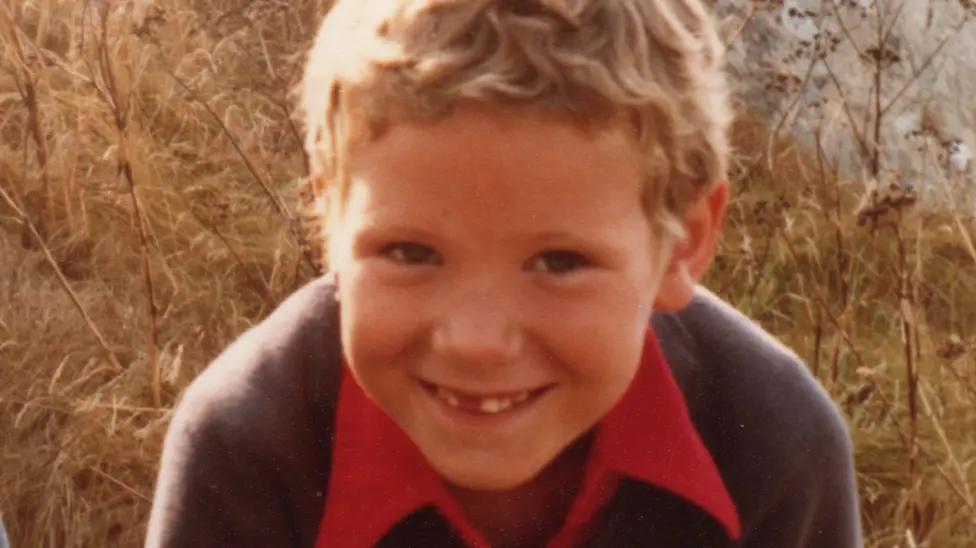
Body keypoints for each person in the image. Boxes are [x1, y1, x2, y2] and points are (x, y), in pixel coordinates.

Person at [145, 0, 862, 546]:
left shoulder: (772, 447)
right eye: (412, 253)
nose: (475, 341)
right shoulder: (252, 447)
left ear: (683, 243)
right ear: (328, 214)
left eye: (559, 262)